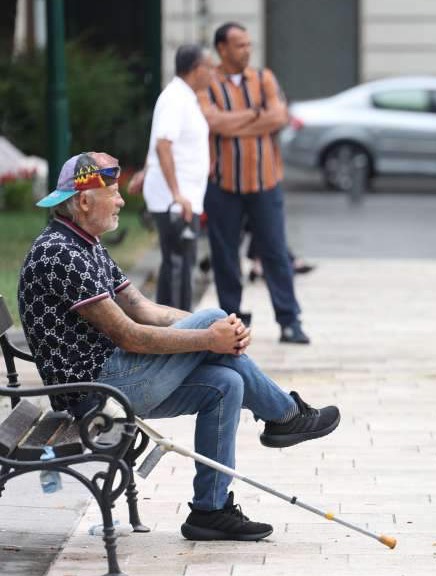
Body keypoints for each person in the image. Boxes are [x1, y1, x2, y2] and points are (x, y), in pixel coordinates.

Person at [19, 152, 342, 541]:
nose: (122, 201)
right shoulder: (61, 254)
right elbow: (130, 335)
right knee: (212, 319)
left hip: (114, 379)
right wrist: (208, 334)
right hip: (95, 394)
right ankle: (286, 416)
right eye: (114, 193)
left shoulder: (84, 245)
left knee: (226, 384)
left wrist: (220, 331)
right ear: (85, 201)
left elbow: (142, 308)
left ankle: (210, 511)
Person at [199, 22, 310, 344]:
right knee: (225, 255)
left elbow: (279, 117)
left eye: (248, 44)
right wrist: (255, 117)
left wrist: (234, 123)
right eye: (239, 45)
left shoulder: (264, 78)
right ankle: (230, 322)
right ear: (222, 48)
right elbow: (212, 122)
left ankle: (290, 321)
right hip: (223, 184)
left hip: (265, 183)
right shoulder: (209, 82)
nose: (246, 50)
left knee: (275, 252)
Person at [129, 45, 213, 311]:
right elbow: (163, 144)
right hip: (175, 199)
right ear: (197, 69)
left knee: (179, 262)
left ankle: (174, 329)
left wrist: (145, 170)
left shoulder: (184, 97)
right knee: (179, 262)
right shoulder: (176, 98)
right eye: (210, 68)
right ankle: (178, 329)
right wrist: (177, 193)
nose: (213, 73)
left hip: (181, 195)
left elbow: (159, 141)